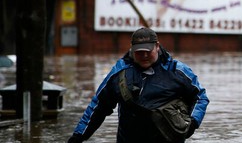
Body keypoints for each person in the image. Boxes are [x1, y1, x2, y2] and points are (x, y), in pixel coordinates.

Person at [68, 27, 208, 142]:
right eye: (140, 52)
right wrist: (78, 136)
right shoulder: (120, 72)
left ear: (157, 46)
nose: (144, 56)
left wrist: (193, 123)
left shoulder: (178, 71)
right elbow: (98, 106)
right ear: (132, 50)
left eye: (148, 52)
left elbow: (200, 97)